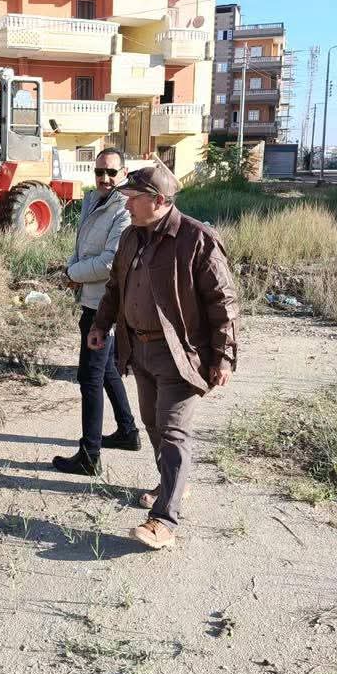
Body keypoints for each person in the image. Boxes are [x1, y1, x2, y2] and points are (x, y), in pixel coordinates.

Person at [89, 163, 239, 550]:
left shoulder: (197, 238)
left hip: (181, 354)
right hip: (139, 349)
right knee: (153, 425)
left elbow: (223, 302)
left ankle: (164, 521)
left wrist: (223, 357)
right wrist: (101, 325)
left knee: (173, 432)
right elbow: (115, 287)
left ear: (158, 200)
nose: (127, 205)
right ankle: (173, 483)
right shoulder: (130, 237)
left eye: (133, 198)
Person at [52, 148, 140, 479]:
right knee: (106, 371)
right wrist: (72, 268)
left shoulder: (124, 209)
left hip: (105, 306)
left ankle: (89, 456)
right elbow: (81, 245)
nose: (104, 178)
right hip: (91, 298)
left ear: (123, 173)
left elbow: (109, 263)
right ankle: (127, 432)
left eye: (111, 172)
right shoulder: (93, 200)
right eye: (99, 171)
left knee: (90, 377)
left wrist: (72, 274)